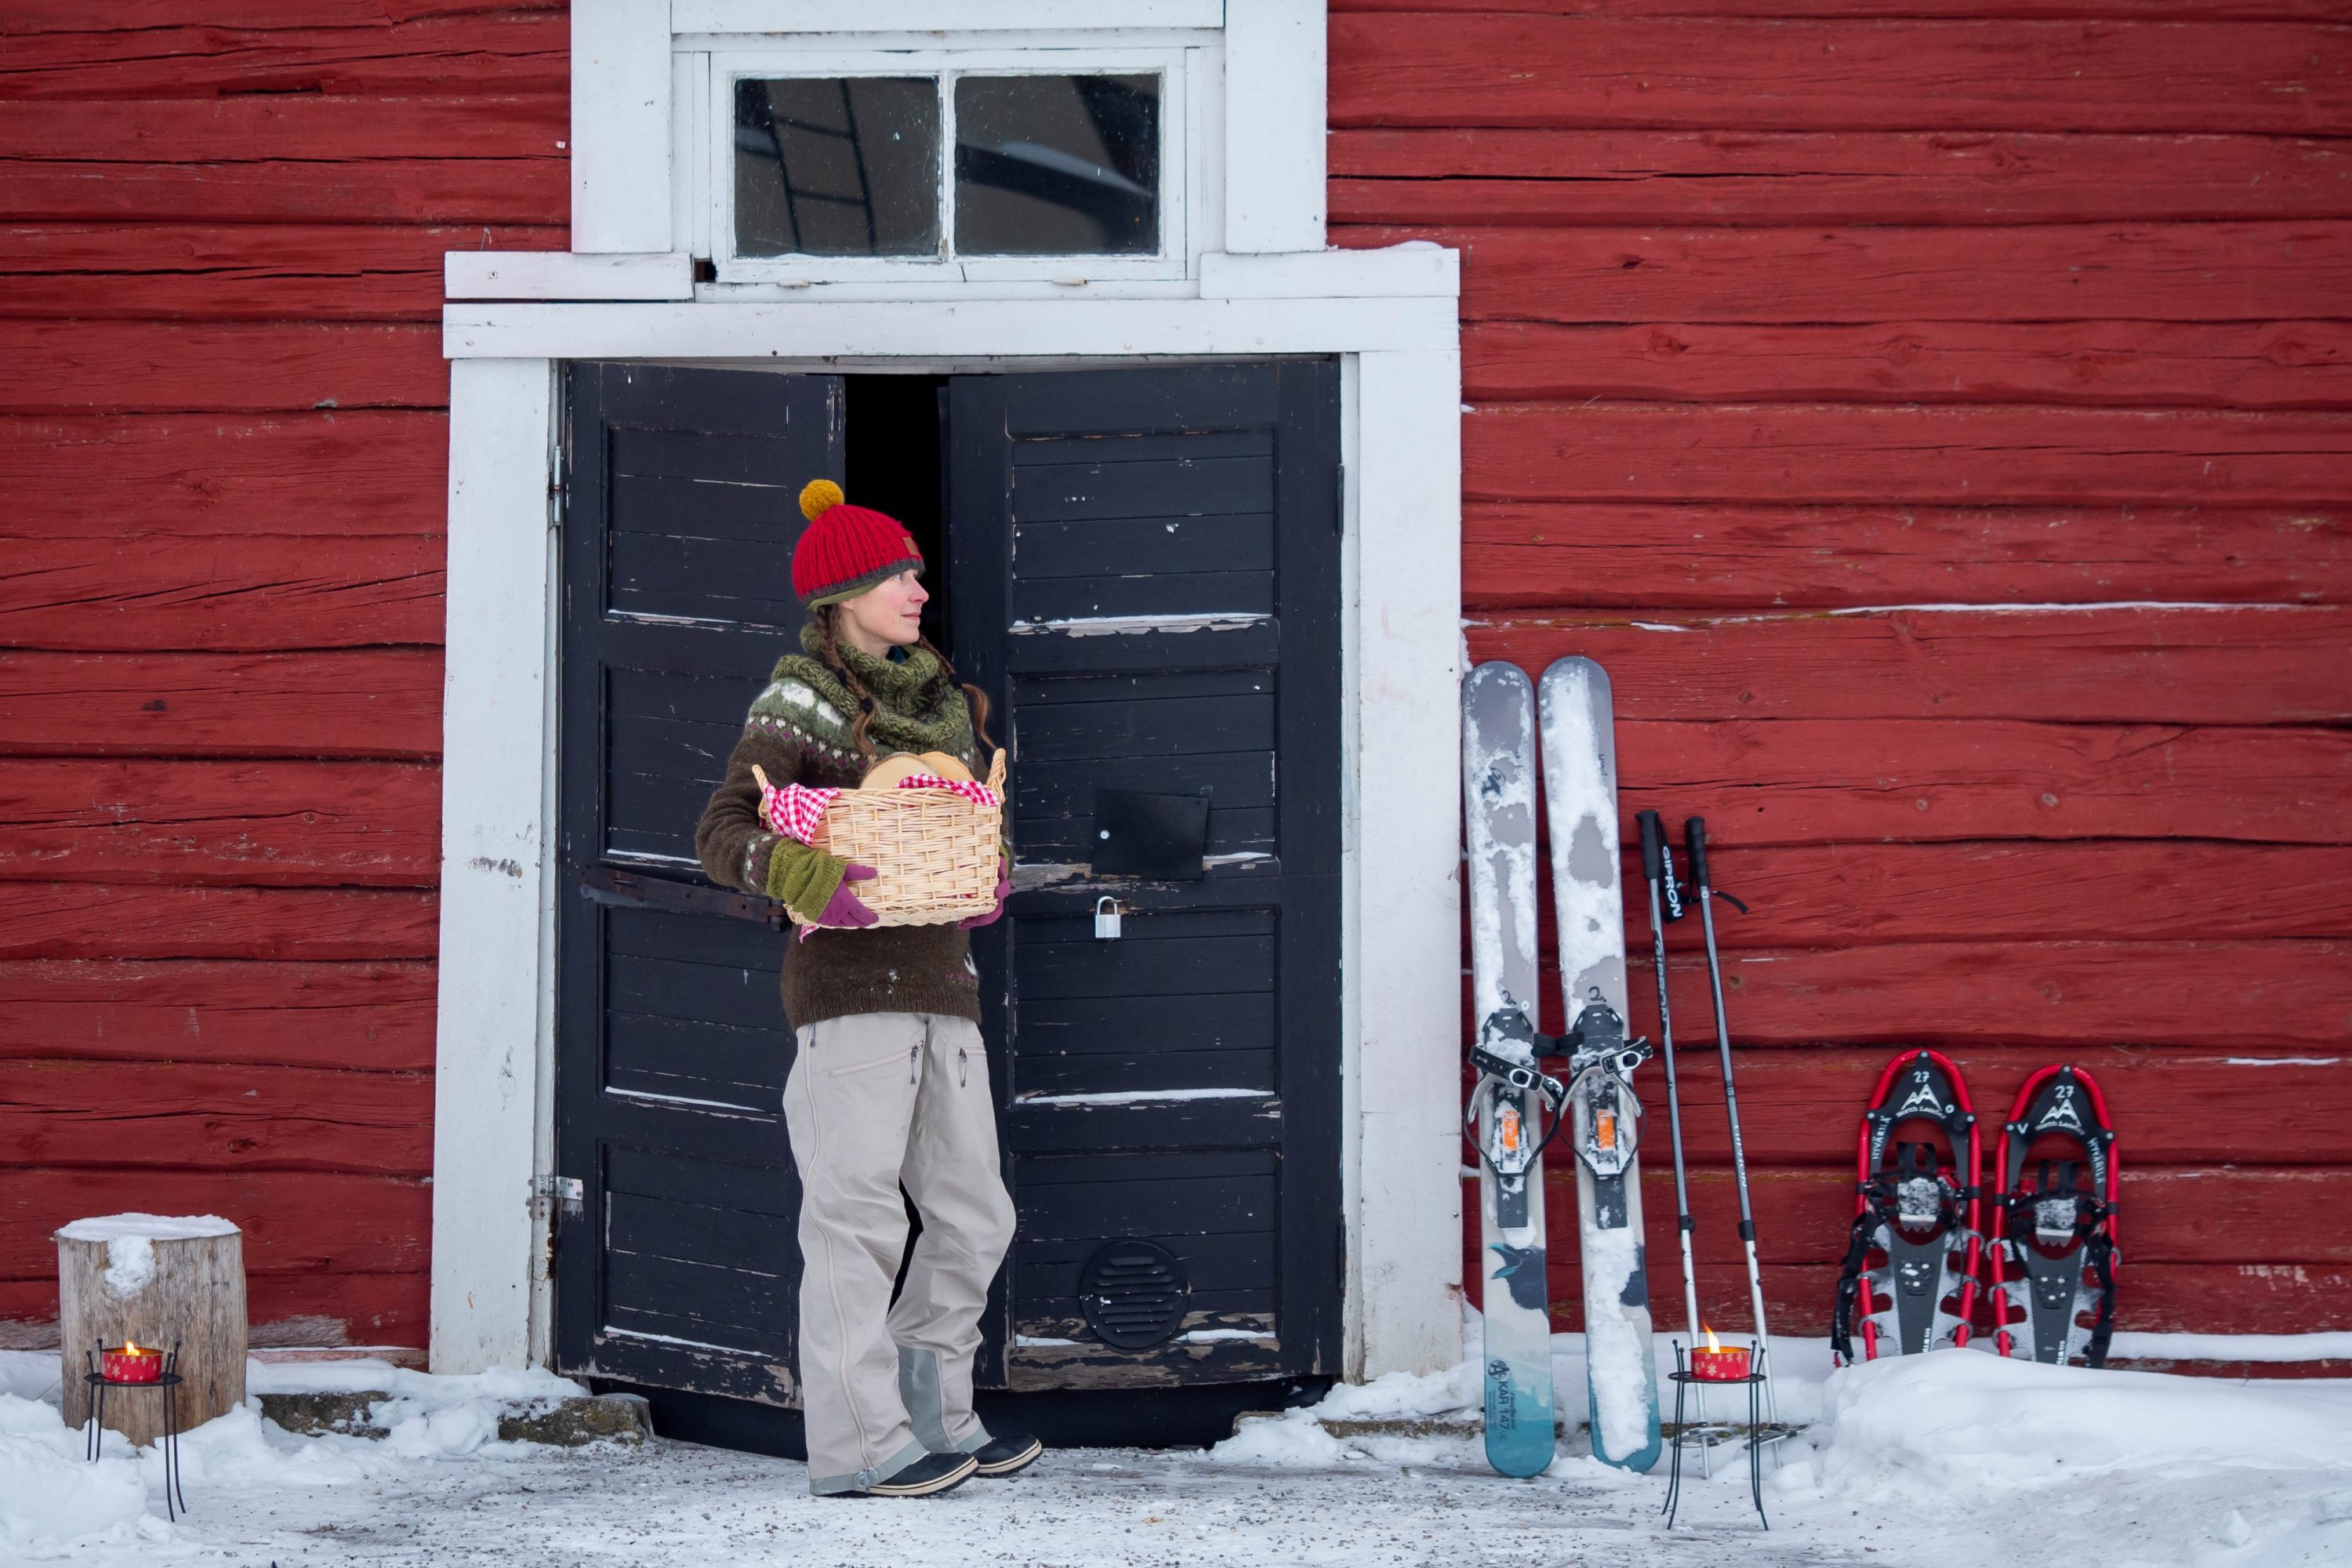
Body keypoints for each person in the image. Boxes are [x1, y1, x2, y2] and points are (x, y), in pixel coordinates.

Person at [695, 479, 1033, 1499]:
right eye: (900, 574)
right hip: (849, 992)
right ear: (845, 593)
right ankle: (860, 1447)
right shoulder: (799, 701)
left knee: (976, 1212)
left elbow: (969, 823)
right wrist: (807, 878)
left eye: (918, 571)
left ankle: (938, 1415)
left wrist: (988, 872)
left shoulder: (943, 702)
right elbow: (722, 834)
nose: (920, 590)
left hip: (945, 983)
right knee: (857, 1219)